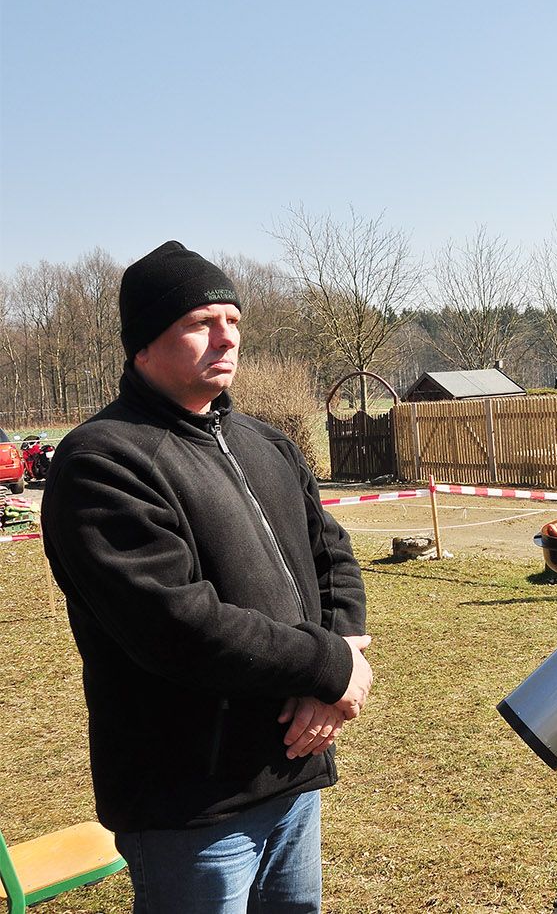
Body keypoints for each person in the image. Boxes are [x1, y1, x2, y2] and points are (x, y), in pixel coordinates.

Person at [42, 241, 373, 913]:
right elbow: (179, 625)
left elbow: (332, 556)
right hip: (191, 799)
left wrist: (331, 671)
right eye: (200, 322)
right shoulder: (102, 461)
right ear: (143, 343)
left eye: (233, 320)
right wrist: (328, 665)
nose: (226, 337)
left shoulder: (266, 443)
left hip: (291, 768)